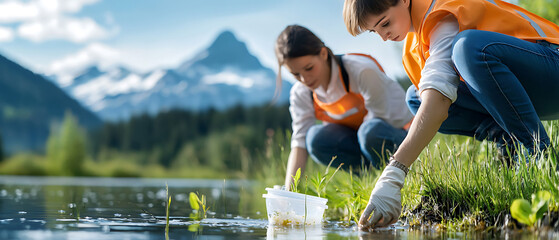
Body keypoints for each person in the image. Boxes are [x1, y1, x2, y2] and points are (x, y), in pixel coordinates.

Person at [343, 0, 559, 231]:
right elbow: (429, 99)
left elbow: (439, 101)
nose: (384, 36)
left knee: (468, 48)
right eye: (375, 32)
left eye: (385, 23)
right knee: (415, 97)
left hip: (550, 68)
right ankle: (508, 142)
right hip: (524, 91)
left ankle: (538, 152)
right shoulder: (416, 39)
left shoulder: (442, 14)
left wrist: (394, 173)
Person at [274, 25, 414, 189]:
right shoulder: (302, 92)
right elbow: (299, 144)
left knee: (370, 132)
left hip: (397, 136)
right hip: (361, 139)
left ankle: (398, 178)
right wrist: (289, 192)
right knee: (314, 139)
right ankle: (367, 180)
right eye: (295, 74)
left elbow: (378, 124)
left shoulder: (361, 70)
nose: (304, 79)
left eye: (309, 68)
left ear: (323, 54)